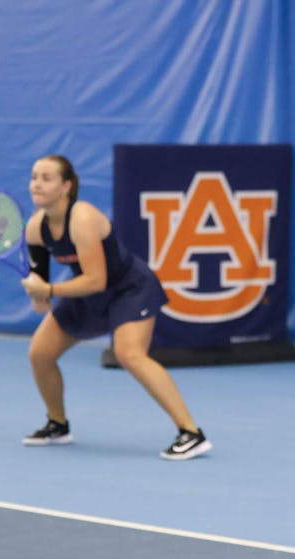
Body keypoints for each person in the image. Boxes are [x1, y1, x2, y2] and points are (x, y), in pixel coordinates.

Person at [19, 154, 212, 461]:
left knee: (129, 354)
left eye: (46, 178)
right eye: (33, 177)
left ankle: (191, 433)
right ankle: (58, 424)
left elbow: (96, 280)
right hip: (87, 296)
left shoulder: (82, 218)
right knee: (40, 353)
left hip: (129, 289)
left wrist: (50, 289)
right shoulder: (34, 229)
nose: (36, 184)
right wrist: (37, 294)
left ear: (66, 186)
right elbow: (43, 304)